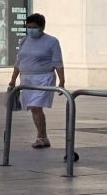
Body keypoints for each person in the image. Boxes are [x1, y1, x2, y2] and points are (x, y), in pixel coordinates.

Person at [8, 13, 69, 158]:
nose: (31, 30)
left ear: (42, 27)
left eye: (34, 27)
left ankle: (41, 137)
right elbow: (19, 61)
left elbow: (57, 62)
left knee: (36, 107)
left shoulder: (52, 41)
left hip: (43, 79)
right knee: (33, 109)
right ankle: (43, 136)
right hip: (26, 79)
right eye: (28, 27)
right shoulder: (24, 41)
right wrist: (13, 79)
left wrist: (62, 81)